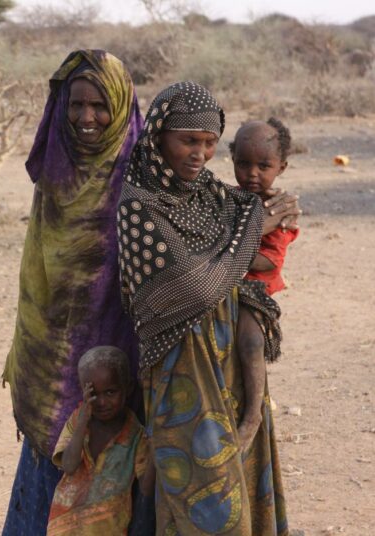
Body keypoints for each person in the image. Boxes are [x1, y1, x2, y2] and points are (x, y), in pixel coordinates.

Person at [117, 81, 298, 535]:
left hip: (229, 358)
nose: (199, 153)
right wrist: (258, 226)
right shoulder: (139, 204)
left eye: (209, 143)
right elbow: (194, 286)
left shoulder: (208, 191)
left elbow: (248, 220)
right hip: (182, 366)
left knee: (239, 468)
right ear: (159, 136)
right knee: (199, 488)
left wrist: (276, 211)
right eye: (188, 140)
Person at [1, 49, 144, 535]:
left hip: (120, 350)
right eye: (77, 105)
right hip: (51, 358)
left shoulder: (143, 175)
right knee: (49, 462)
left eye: (101, 105)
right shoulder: (57, 171)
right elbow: (43, 276)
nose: (87, 118)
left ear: (122, 106)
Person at [230, 117, 301, 452]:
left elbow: (271, 262)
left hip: (255, 291)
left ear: (281, 167)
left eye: (264, 165)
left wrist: (231, 250)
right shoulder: (229, 198)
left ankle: (253, 414)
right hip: (223, 283)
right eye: (243, 164)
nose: (252, 174)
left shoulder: (280, 211)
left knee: (250, 339)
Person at [47, 346, 155, 536]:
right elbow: (69, 465)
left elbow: (146, 488)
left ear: (128, 388)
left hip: (108, 528)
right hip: (64, 527)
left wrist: (157, 446)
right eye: (94, 394)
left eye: (110, 392)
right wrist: (81, 424)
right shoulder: (78, 420)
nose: (102, 402)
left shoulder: (135, 434)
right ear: (84, 392)